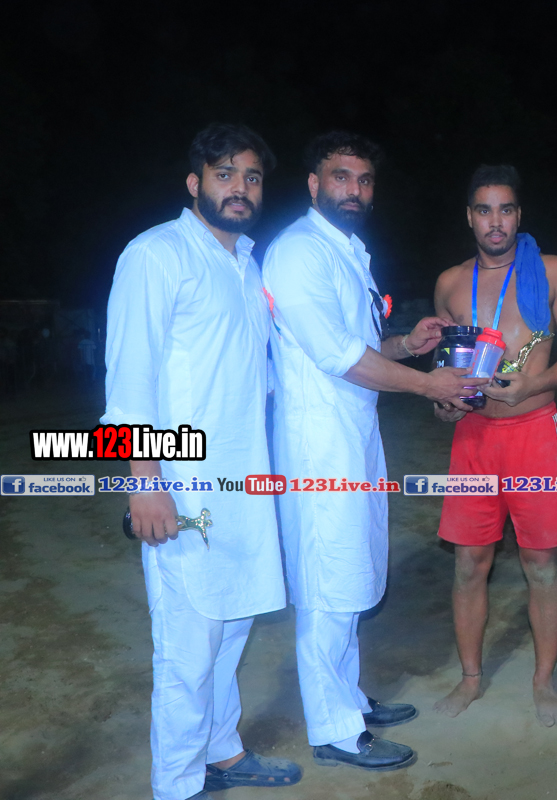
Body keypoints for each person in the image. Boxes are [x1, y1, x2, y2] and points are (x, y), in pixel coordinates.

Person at [264, 131, 485, 771]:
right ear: (314, 183)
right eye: (341, 177)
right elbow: (338, 357)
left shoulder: (347, 252)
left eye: (363, 181)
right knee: (327, 582)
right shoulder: (298, 252)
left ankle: (349, 699)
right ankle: (335, 731)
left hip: (354, 432)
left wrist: (408, 346)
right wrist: (428, 383)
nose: (354, 191)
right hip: (317, 442)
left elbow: (360, 347)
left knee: (352, 567)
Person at [103, 123, 302, 800]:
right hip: (183, 488)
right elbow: (128, 383)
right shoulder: (156, 255)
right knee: (187, 647)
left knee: (233, 624)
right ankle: (178, 785)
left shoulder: (247, 264)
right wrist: (145, 485)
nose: (240, 188)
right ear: (195, 183)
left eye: (251, 177)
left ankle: (221, 751)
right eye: (225, 174)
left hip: (244, 483)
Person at [430, 164, 557, 727]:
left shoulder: (551, 271)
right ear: (469, 217)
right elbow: (443, 373)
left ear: (519, 215)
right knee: (468, 564)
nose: (495, 221)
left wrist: (532, 384)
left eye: (505, 209)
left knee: (540, 564)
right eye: (484, 210)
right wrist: (444, 402)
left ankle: (543, 682)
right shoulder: (451, 284)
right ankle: (471, 678)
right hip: (474, 438)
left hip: (533, 433)